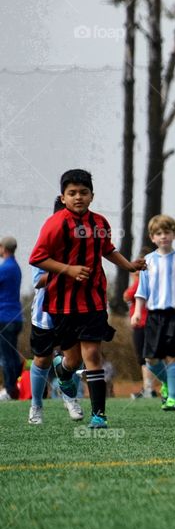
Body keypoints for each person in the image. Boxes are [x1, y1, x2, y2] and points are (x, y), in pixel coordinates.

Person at [29, 169, 147, 429]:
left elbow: (108, 249)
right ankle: (62, 370)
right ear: (63, 197)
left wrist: (129, 266)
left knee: (93, 353)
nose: (78, 197)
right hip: (62, 303)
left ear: (92, 196)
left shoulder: (100, 223)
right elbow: (36, 258)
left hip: (93, 299)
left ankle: (99, 416)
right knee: (73, 360)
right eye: (72, 193)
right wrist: (68, 269)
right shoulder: (55, 224)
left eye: (83, 192)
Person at [132, 215, 175, 412]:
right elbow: (141, 290)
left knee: (173, 357)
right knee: (150, 360)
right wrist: (137, 312)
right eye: (159, 233)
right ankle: (167, 383)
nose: (163, 237)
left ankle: (173, 399)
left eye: (167, 232)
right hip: (154, 316)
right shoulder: (148, 261)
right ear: (152, 237)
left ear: (174, 235)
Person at [27, 198, 84, 425]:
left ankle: (70, 397)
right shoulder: (45, 245)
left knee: (75, 359)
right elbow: (38, 281)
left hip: (74, 309)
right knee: (41, 359)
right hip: (46, 311)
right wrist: (66, 271)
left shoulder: (84, 245)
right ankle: (36, 406)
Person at [125, 245, 158, 399]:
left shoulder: (141, 281)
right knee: (147, 357)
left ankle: (149, 388)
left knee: (145, 357)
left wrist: (136, 277)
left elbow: (127, 295)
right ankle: (148, 388)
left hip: (143, 324)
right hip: (145, 322)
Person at [0, 235, 24, 400]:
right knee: (12, 354)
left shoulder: (5, 268)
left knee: (6, 356)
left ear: (3, 248)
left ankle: (10, 390)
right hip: (16, 317)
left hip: (4, 317)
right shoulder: (15, 267)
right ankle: (13, 387)